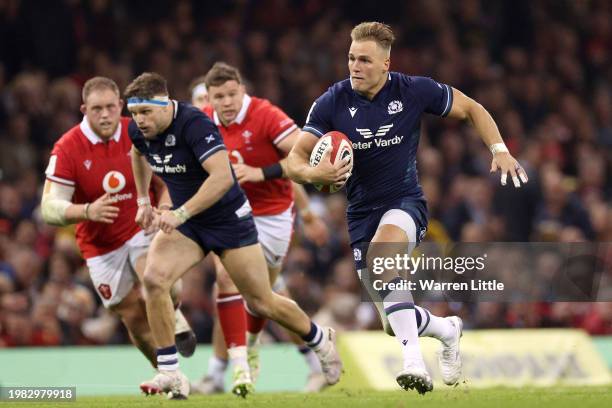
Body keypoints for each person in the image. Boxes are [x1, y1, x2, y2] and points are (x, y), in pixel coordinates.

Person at [286, 22, 528, 394]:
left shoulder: (414, 90)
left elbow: (473, 109)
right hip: (360, 214)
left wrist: (499, 150)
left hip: (405, 203)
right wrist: (313, 171)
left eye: (364, 60)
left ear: (386, 64)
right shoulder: (332, 101)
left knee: (384, 259)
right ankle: (448, 330)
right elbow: (294, 161)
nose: (355, 66)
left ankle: (414, 364)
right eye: (351, 58)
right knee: (391, 319)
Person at [125, 72, 342, 399]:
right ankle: (170, 373)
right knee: (154, 280)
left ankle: (320, 340)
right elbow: (137, 154)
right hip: (190, 222)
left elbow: (223, 178)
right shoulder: (138, 130)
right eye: (134, 113)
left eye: (145, 112)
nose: (139, 120)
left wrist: (180, 213)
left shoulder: (194, 124)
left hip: (227, 220)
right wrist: (144, 200)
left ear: (166, 104)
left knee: (261, 301)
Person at [189, 63, 330, 395]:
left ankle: (310, 356)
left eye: (229, 95)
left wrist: (308, 214)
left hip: (270, 218)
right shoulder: (199, 129)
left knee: (263, 298)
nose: (219, 103)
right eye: (210, 98)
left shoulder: (261, 117)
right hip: (229, 217)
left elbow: (297, 164)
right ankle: (223, 370)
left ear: (241, 92)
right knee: (229, 287)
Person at [40, 76, 197, 369]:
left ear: (120, 105)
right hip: (100, 246)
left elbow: (166, 182)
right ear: (83, 109)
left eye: (111, 107)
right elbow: (48, 208)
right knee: (133, 317)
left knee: (152, 274)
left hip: (143, 225)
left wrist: (162, 208)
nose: (105, 114)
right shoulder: (67, 148)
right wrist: (87, 210)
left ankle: (173, 312)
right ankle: (168, 373)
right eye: (96, 108)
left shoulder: (139, 131)